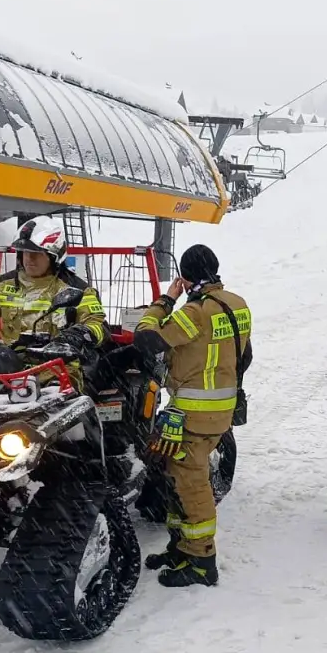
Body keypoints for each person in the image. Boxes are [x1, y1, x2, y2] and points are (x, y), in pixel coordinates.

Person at [133, 245, 251, 588]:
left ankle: (201, 562)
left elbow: (146, 338)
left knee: (191, 483)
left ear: (185, 278)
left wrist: (165, 301)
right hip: (221, 409)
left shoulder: (194, 313)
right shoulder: (237, 304)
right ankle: (181, 548)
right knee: (175, 474)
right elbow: (245, 356)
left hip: (194, 413)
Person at [0, 216, 108, 354]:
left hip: (57, 371)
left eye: (36, 253)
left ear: (54, 256)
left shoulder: (78, 290)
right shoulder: (3, 285)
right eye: (24, 252)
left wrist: (79, 335)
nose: (29, 258)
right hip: (8, 366)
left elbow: (96, 324)